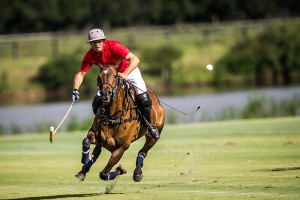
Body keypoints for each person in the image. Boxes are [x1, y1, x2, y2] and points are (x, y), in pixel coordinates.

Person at [72, 28, 159, 140]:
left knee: (144, 98)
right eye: (93, 42)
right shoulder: (90, 55)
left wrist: (124, 74)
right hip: (110, 79)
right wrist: (75, 90)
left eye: (99, 41)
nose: (97, 44)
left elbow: (135, 59)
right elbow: (81, 74)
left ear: (104, 40)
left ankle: (149, 125)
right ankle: (102, 127)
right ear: (90, 44)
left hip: (129, 71)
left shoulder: (114, 46)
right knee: (96, 102)